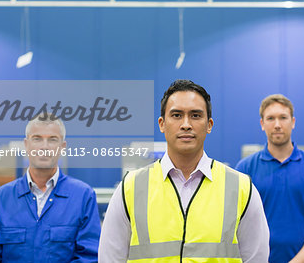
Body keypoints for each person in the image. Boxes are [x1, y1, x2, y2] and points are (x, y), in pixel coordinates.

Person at [99, 79, 269, 263]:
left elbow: (256, 258)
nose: (186, 124)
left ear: (209, 124)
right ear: (162, 124)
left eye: (195, 115)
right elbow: (110, 258)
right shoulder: (130, 188)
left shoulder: (241, 188)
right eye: (177, 115)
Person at [0, 114, 101, 262]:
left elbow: (89, 257)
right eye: (37, 139)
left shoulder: (83, 197)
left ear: (62, 147)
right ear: (26, 145)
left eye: (52, 139)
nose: (44, 146)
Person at [236, 94, 304, 263]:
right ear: (262, 124)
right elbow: (236, 226)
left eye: (283, 118)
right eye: (270, 118)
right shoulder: (245, 169)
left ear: (293, 122)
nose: (277, 125)